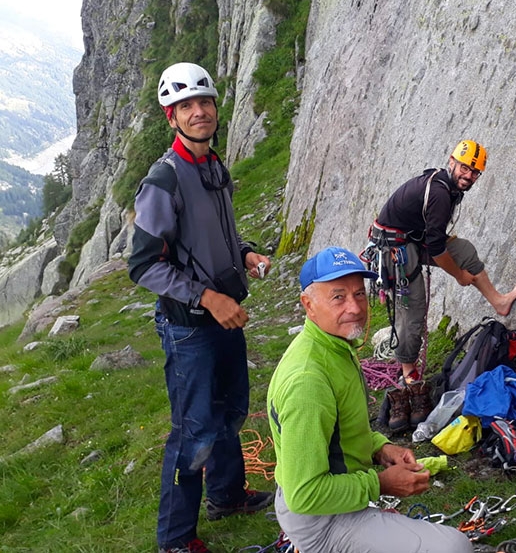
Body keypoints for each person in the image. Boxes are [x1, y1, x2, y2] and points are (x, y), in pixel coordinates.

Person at [128, 62, 273, 553]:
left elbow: (215, 234)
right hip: (190, 325)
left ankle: (227, 496)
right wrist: (207, 297)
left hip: (224, 314)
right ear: (171, 118)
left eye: (203, 102)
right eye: (185, 106)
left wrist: (246, 251)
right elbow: (144, 265)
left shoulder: (213, 166)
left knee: (230, 412)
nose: (197, 112)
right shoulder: (163, 180)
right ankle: (175, 538)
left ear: (215, 108)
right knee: (194, 432)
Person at [267, 246, 473, 553]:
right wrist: (382, 484)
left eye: (359, 294)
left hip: (336, 497)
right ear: (308, 305)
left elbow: (342, 430)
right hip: (319, 519)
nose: (354, 307)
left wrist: (380, 448)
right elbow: (304, 494)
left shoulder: (333, 346)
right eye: (338, 296)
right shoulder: (308, 381)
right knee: (454, 548)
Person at [369, 140, 516, 429]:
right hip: (396, 248)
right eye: (465, 168)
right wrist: (459, 276)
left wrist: (463, 268)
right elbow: (437, 249)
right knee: (413, 311)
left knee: (464, 251)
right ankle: (408, 370)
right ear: (452, 162)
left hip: (412, 238)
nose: (468, 176)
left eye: (475, 172)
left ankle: (499, 301)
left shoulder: (449, 186)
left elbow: (438, 241)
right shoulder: (441, 193)